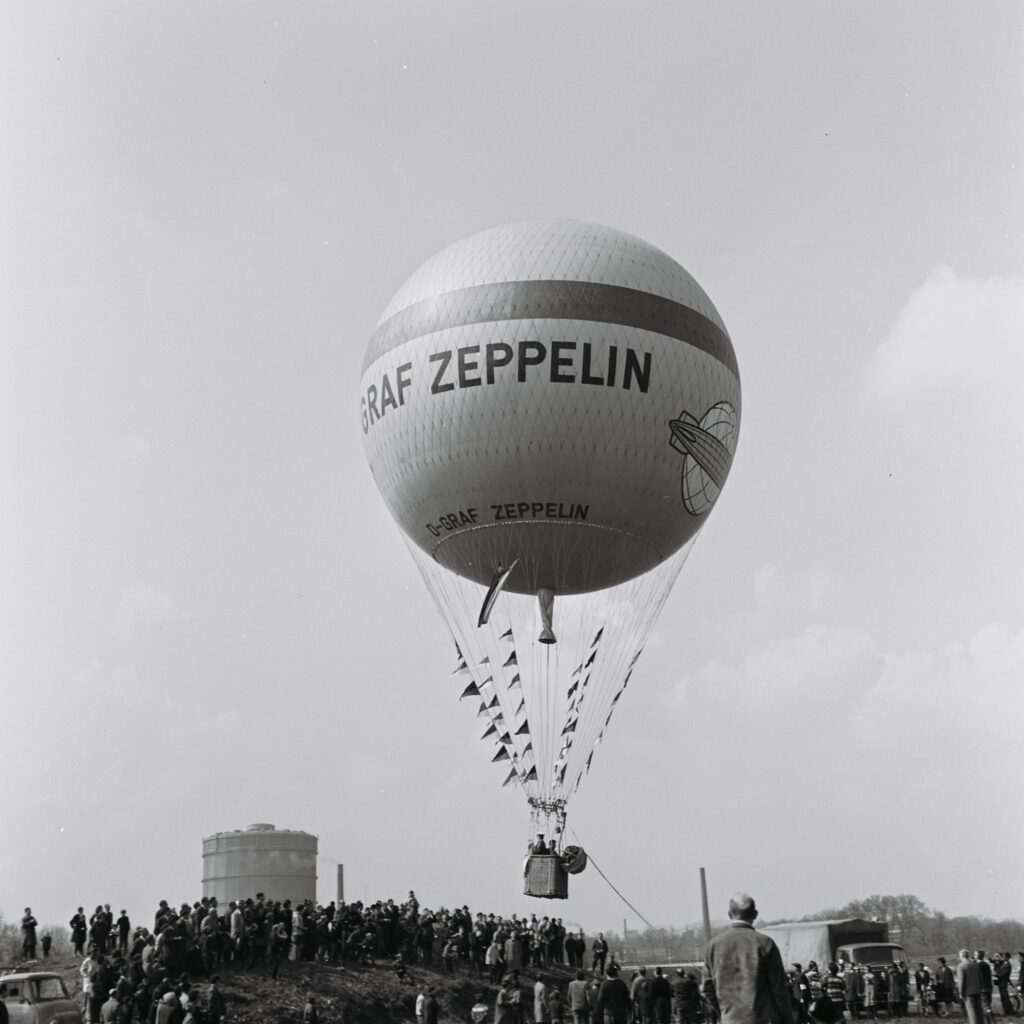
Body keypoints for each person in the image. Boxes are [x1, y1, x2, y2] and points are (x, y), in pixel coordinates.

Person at [704, 893, 794, 1024]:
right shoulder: (765, 943)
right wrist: (788, 1019)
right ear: (755, 914)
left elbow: (707, 988)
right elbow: (779, 990)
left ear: (729, 914)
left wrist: (723, 1012)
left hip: (730, 1019)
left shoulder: (713, 946)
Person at [958, 950, 985, 1024]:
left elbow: (961, 981)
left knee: (972, 1012)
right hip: (977, 991)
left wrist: (961, 993)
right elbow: (981, 978)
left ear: (961, 956)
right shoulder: (975, 964)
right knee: (979, 1011)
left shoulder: (961, 966)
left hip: (968, 992)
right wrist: (981, 988)